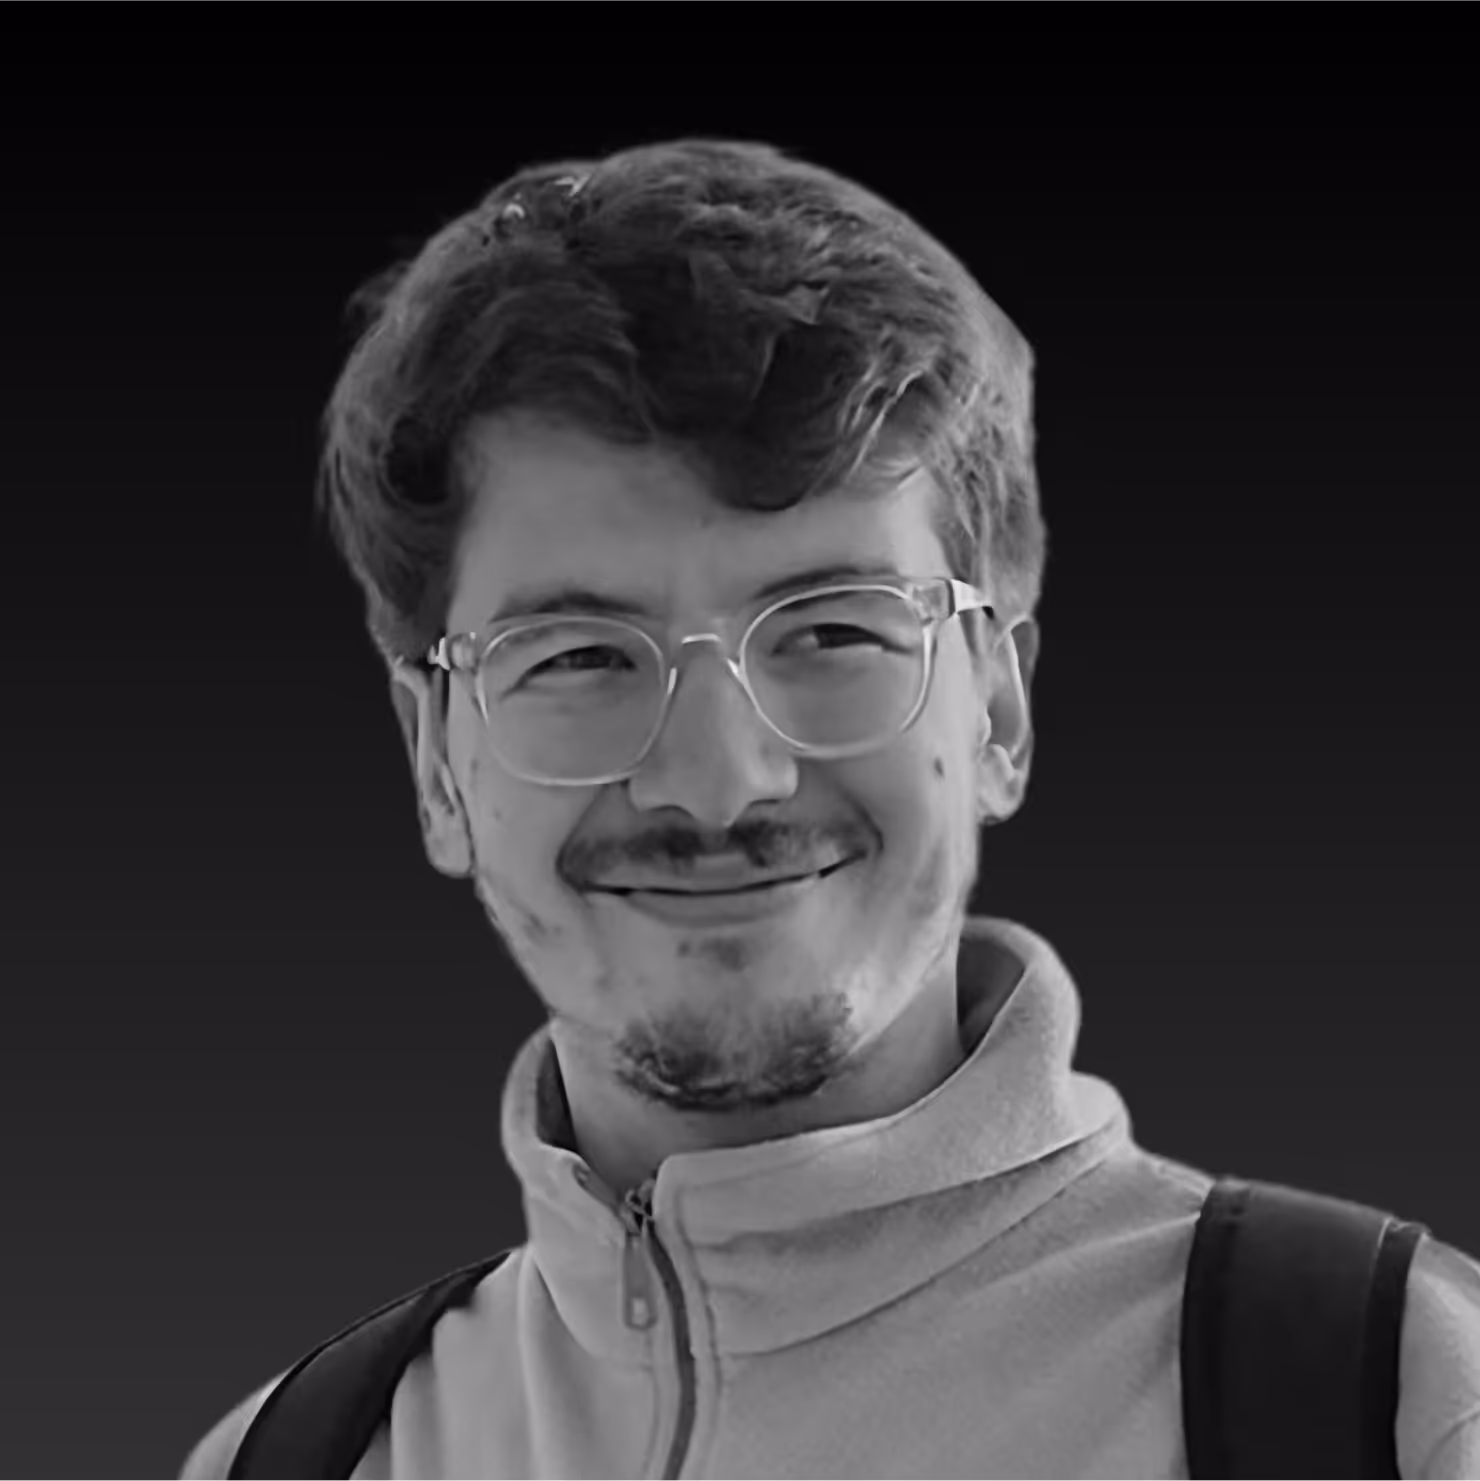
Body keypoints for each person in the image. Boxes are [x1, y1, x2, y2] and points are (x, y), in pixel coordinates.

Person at [180, 138, 1480, 1479]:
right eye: (576, 657)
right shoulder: (295, 1462)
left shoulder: (1403, 1405)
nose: (718, 780)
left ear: (1000, 712)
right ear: (436, 768)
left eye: (832, 633)